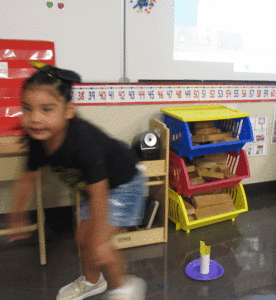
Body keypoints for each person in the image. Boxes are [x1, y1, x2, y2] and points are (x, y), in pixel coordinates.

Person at [7, 62, 148, 300]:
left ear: (68, 111)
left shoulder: (83, 143)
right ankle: (93, 282)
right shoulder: (37, 139)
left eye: (47, 110)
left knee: (97, 244)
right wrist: (17, 213)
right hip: (91, 189)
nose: (35, 119)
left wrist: (101, 241)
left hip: (124, 183)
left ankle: (126, 288)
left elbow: (100, 192)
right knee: (83, 238)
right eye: (27, 109)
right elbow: (27, 178)